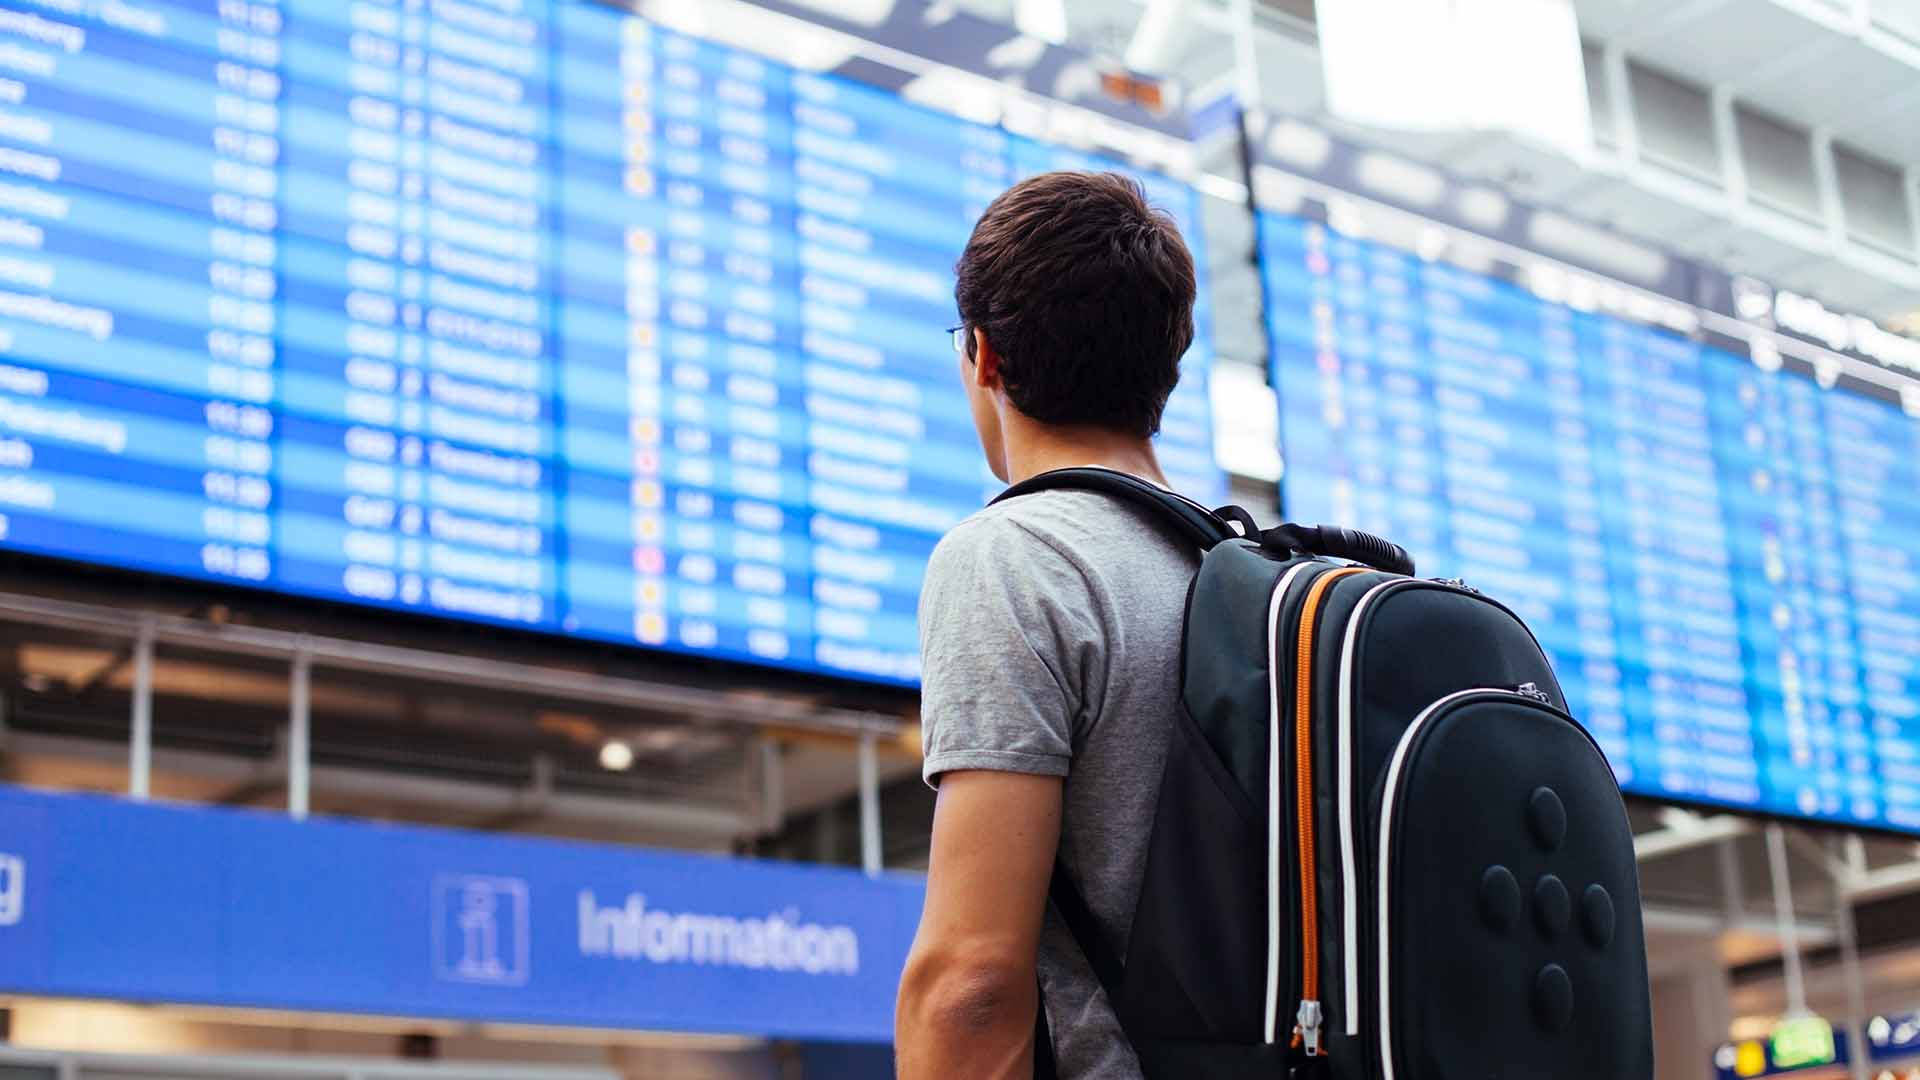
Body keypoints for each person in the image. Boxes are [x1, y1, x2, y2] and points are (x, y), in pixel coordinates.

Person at [894, 171, 1200, 1080]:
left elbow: (973, 983)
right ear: (1166, 368)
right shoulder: (1254, 573)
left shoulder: (1015, 557)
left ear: (983, 357)